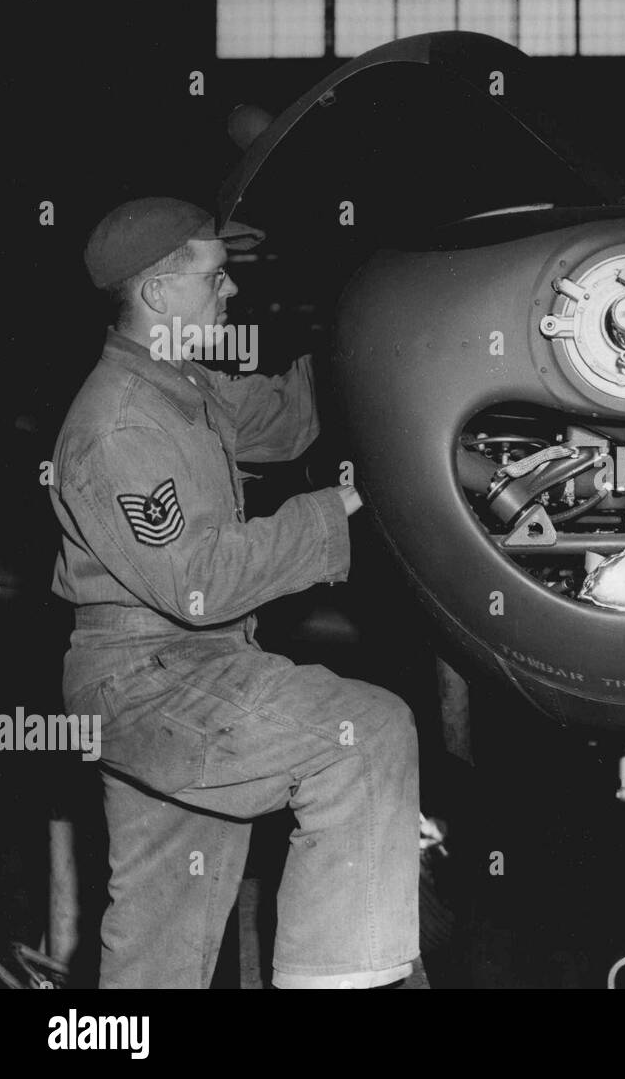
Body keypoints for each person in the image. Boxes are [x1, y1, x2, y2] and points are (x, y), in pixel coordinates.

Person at [49, 197, 420, 988]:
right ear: (157, 295)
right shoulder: (120, 424)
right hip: (153, 677)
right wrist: (339, 510)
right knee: (368, 733)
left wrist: (374, 330)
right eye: (215, 279)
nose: (230, 295)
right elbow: (197, 584)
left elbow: (288, 419)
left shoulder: (182, 387)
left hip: (172, 678)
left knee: (160, 939)